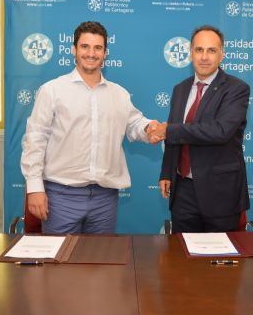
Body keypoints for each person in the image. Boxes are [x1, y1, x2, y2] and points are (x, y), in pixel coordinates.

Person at [20, 21, 159, 234]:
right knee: (61, 256)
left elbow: (134, 124)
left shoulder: (119, 94)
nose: (91, 54)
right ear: (73, 49)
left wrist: (149, 128)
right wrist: (34, 188)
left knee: (100, 255)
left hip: (105, 199)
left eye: (98, 48)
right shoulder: (52, 90)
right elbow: (35, 140)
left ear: (105, 53)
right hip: (60, 197)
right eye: (85, 46)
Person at [152, 25, 250, 233]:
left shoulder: (237, 89)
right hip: (182, 190)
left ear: (222, 54)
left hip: (220, 192)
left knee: (221, 252)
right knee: (182, 250)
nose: (204, 57)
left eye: (211, 50)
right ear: (191, 53)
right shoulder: (180, 89)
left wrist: (169, 130)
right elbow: (173, 135)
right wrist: (166, 172)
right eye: (199, 50)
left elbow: (220, 131)